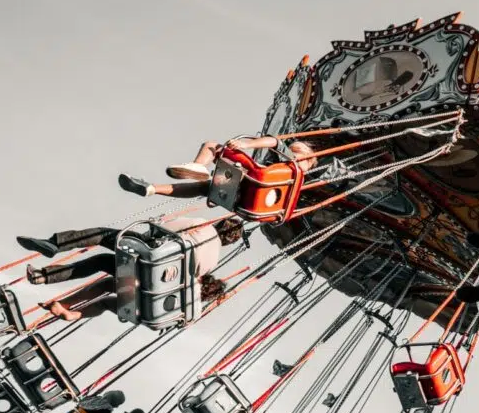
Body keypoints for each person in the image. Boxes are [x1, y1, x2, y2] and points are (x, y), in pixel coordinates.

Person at [18, 217, 243, 322]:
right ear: (229, 242)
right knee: (105, 271)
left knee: (101, 236)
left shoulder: (201, 224)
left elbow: (162, 229)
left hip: (143, 255)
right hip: (146, 286)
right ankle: (68, 307)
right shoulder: (212, 262)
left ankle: (51, 252)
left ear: (220, 224)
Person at [116, 136, 318, 198]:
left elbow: (273, 142)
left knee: (212, 146)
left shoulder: (290, 160)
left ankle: (198, 166)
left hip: (251, 179)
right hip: (247, 196)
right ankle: (152, 189)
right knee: (206, 188)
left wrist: (246, 144)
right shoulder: (297, 182)